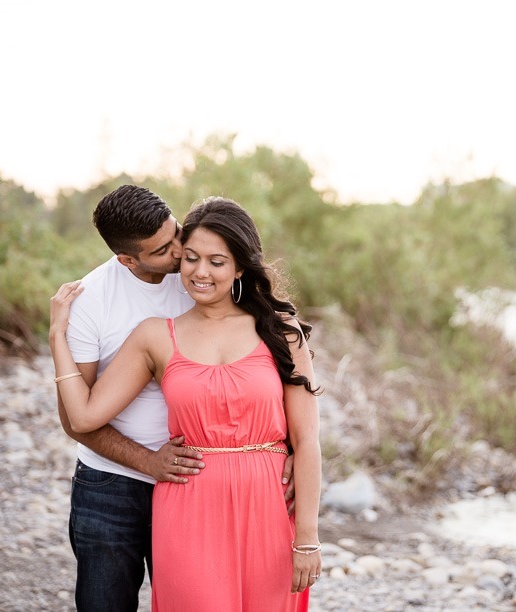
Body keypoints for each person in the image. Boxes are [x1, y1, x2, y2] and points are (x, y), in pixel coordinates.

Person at [50, 196, 322, 611]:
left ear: (240, 266)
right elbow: (81, 417)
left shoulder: (278, 330)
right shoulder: (140, 326)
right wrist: (57, 338)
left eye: (214, 261)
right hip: (177, 498)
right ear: (129, 258)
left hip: (266, 504)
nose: (191, 267)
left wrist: (307, 537)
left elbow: (307, 438)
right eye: (186, 256)